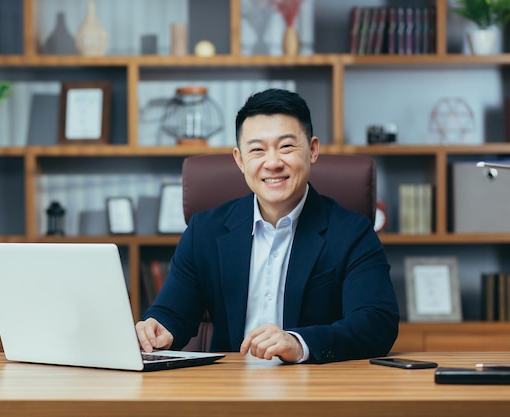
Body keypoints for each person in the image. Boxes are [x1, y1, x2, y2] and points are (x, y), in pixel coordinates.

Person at [135, 88, 399, 363]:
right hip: (228, 388)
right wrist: (159, 327)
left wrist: (299, 343)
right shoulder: (205, 230)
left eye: (286, 147)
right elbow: (172, 313)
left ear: (312, 150)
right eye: (257, 150)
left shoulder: (352, 232)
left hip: (314, 388)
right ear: (239, 160)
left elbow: (377, 322)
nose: (272, 163)